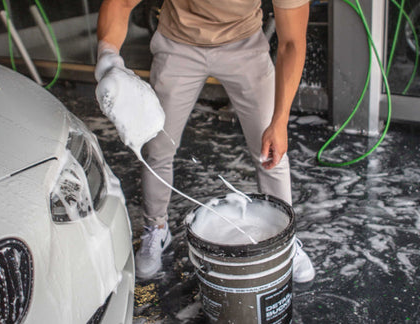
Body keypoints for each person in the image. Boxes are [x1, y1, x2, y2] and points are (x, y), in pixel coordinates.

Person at [95, 0, 315, 283]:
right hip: (179, 42)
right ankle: (156, 229)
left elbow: (291, 42)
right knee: (157, 146)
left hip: (244, 43)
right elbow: (122, 2)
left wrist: (280, 120)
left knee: (270, 147)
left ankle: (284, 241)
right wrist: (108, 54)